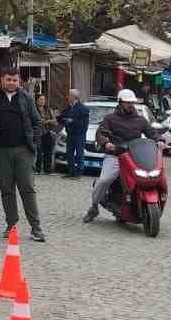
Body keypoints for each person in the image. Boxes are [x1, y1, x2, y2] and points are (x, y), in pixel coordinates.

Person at [0, 68, 47, 242]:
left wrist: (35, 145)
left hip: (23, 150)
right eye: (9, 79)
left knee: (28, 189)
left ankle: (36, 227)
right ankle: (11, 224)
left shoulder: (25, 98)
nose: (12, 83)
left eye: (15, 80)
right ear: (2, 80)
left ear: (19, 82)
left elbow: (37, 122)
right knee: (6, 190)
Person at [83, 88, 151, 223]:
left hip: (134, 157)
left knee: (146, 178)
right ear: (120, 102)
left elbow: (151, 132)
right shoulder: (110, 119)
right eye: (127, 102)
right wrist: (106, 142)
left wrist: (160, 140)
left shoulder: (140, 120)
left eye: (132, 102)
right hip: (115, 156)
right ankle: (94, 207)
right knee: (104, 180)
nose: (130, 105)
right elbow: (101, 133)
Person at [61, 89, 90, 178]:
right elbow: (63, 117)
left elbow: (84, 124)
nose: (67, 97)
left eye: (69, 95)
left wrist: (72, 121)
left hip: (79, 135)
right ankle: (71, 171)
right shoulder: (68, 108)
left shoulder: (83, 109)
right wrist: (61, 118)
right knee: (69, 153)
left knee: (79, 153)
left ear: (74, 97)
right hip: (70, 134)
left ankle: (78, 173)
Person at [34, 92, 57, 175]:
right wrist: (42, 121)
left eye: (44, 99)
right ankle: (38, 169)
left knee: (48, 151)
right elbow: (35, 120)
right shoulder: (34, 109)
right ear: (36, 101)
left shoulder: (48, 109)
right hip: (37, 133)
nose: (42, 101)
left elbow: (55, 121)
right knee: (39, 151)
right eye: (41, 99)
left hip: (47, 132)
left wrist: (47, 121)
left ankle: (48, 170)